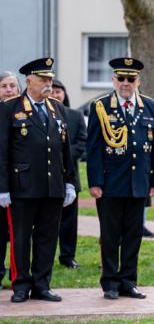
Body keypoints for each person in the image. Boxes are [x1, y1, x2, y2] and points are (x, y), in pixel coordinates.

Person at [86, 57, 154, 300]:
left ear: (138, 81)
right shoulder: (101, 106)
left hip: (138, 182)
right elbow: (94, 148)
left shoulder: (149, 106)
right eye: (121, 78)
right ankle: (110, 282)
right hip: (111, 182)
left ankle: (129, 281)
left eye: (131, 79)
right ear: (114, 79)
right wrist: (95, 182)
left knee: (133, 235)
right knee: (110, 235)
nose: (125, 83)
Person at [0, 58, 76, 303]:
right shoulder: (10, 107)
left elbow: (66, 150)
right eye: (43, 79)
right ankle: (21, 284)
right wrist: (3, 188)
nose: (48, 83)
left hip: (52, 185)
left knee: (47, 236)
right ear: (28, 80)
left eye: (50, 79)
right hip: (22, 185)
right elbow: (2, 150)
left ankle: (42, 284)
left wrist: (70, 182)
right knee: (21, 237)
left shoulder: (57, 108)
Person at [51, 79, 87, 268]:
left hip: (69, 176)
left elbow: (82, 143)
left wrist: (62, 158)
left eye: (59, 91)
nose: (55, 95)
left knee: (69, 221)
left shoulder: (75, 115)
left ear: (64, 94)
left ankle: (67, 256)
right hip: (45, 177)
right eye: (52, 91)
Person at [0, 71, 19, 285]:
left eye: (12, 85)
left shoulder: (25, 111)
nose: (8, 90)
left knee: (17, 233)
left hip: (19, 183)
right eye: (4, 86)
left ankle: (17, 274)